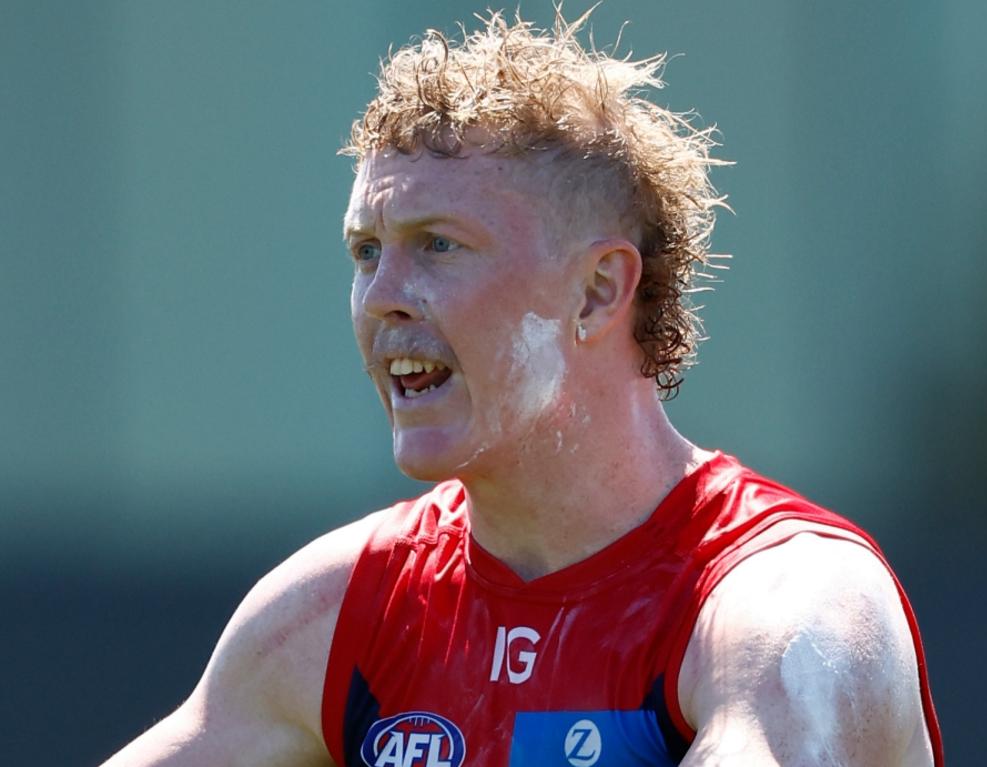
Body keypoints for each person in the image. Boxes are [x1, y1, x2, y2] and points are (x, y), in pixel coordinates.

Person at [100, 10, 942, 767]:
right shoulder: (336, 614)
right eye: (365, 251)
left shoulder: (791, 607)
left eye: (437, 245)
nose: (381, 294)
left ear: (597, 292)